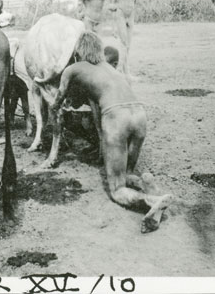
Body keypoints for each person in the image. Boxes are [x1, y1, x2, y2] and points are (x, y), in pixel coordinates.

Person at [51, 32, 173, 233]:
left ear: (78, 51)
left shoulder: (72, 69)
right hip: (139, 114)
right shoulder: (110, 68)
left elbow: (59, 100)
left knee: (117, 189)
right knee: (126, 174)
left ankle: (151, 201)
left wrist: (55, 109)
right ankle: (148, 183)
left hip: (117, 117)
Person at [109, 0, 139, 78]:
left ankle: (125, 72)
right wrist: (113, 27)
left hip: (130, 15)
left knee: (128, 45)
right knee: (124, 43)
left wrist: (131, 17)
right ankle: (120, 70)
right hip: (120, 13)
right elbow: (113, 4)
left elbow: (134, 2)